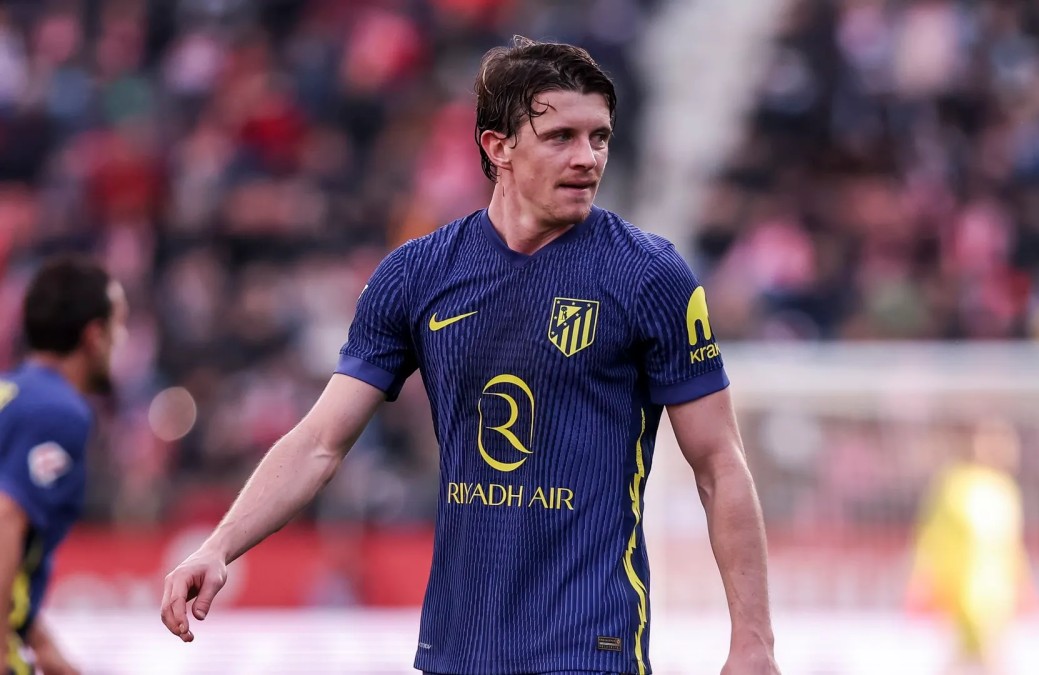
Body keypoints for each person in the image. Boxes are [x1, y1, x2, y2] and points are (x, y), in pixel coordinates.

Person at [161, 36, 779, 675]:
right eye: (561, 137)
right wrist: (219, 545)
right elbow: (319, 442)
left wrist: (753, 642)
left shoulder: (649, 277)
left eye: (599, 137)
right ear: (497, 146)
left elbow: (720, 465)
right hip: (457, 650)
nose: (587, 157)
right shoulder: (418, 275)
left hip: (590, 648)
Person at [0, 255, 128, 675]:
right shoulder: (59, 412)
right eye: (118, 325)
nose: (122, 339)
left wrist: (39, 641)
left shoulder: (11, 394)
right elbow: (5, 518)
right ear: (94, 335)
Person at [907, 419, 1039, 675]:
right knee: (985, 659)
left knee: (976, 659)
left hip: (997, 594)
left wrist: (1024, 587)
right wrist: (924, 580)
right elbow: (930, 539)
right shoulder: (956, 485)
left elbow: (1010, 548)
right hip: (965, 593)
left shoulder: (1005, 489)